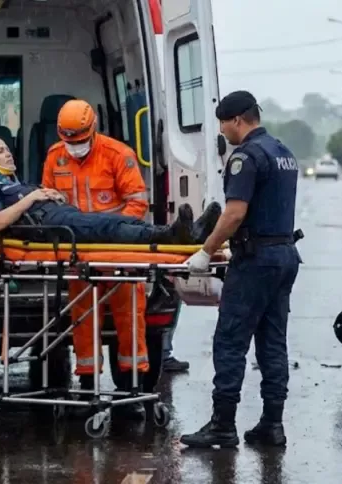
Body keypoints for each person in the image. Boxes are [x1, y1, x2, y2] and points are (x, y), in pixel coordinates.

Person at [40, 99, 218, 418]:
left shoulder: (117, 155)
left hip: (116, 249)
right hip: (78, 253)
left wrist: (112, 232)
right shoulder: (55, 156)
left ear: (93, 130)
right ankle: (87, 386)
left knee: (130, 319)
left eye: (80, 141)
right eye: (70, 141)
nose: (75, 147)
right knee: (82, 320)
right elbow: (48, 200)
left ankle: (131, 391)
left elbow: (137, 203)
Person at [180, 91, 301, 448]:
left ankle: (222, 426)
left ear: (237, 120)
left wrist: (205, 251)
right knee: (272, 342)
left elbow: (234, 213)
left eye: (222, 123)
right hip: (284, 255)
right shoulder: (283, 153)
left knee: (230, 341)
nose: (222, 130)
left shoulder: (245, 157)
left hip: (256, 262)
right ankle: (272, 424)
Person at [0, 137, 219, 247]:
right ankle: (172, 236)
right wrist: (34, 197)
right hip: (48, 226)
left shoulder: (19, 185)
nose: (8, 153)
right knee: (107, 227)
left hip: (60, 216)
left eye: (6, 149)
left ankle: (187, 233)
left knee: (119, 219)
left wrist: (53, 195)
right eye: (0, 151)